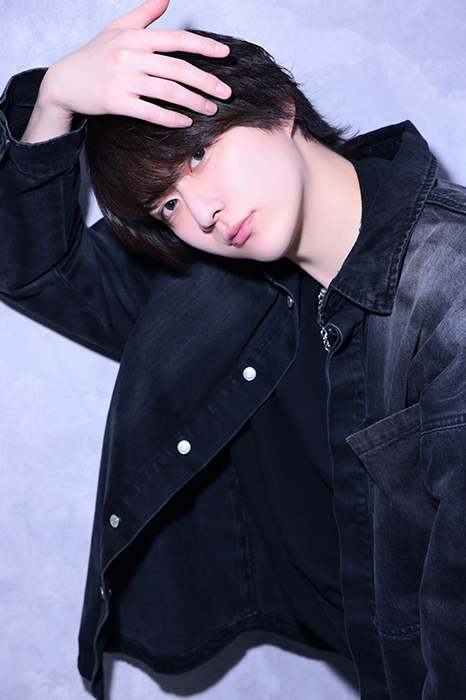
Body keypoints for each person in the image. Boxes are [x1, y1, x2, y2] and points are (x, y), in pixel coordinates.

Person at [1, 1, 466, 699]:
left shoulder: (451, 296)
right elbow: (35, 269)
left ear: (279, 107)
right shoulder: (215, 285)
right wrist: (54, 99)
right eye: (166, 205)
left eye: (198, 154)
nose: (202, 213)